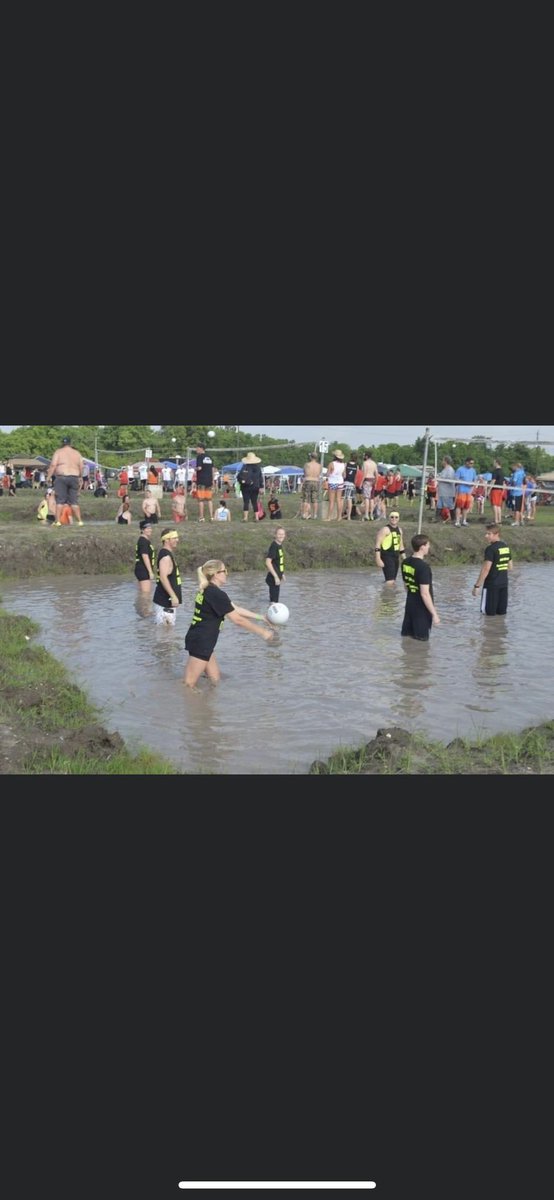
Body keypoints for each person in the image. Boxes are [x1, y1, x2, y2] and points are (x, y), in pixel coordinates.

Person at [184, 560, 274, 688]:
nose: (227, 573)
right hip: (201, 641)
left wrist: (262, 617)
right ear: (215, 574)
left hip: (201, 639)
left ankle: (205, 706)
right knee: (188, 685)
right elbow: (237, 620)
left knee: (215, 679)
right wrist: (263, 632)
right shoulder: (216, 594)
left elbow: (235, 609)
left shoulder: (209, 590)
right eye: (224, 571)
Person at [401, 535, 440, 641]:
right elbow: (425, 594)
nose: (428, 547)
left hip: (410, 604)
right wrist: (434, 614)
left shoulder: (405, 562)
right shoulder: (423, 567)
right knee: (422, 642)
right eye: (427, 545)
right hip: (421, 609)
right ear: (422, 547)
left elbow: (406, 585)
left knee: (407, 639)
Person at [472, 524, 512, 616]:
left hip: (491, 586)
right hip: (504, 585)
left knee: (487, 616)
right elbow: (510, 566)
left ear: (496, 534)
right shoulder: (505, 547)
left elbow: (486, 569)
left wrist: (477, 586)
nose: (486, 536)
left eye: (489, 534)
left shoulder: (490, 549)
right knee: (501, 614)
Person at [47, 435, 84, 527]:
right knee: (74, 501)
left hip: (62, 477)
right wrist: (80, 477)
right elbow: (81, 466)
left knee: (60, 501)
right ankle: (80, 521)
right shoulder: (77, 453)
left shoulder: (58, 452)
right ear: (70, 443)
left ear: (62, 443)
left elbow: (53, 465)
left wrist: (48, 477)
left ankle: (58, 521)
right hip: (74, 477)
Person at [153, 529, 182, 625]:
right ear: (166, 540)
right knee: (165, 634)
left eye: (177, 537)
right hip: (165, 601)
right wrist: (173, 596)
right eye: (174, 538)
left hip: (167, 601)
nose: (177, 540)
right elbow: (163, 577)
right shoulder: (166, 557)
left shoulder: (167, 554)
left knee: (168, 634)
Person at [374, 511, 405, 586]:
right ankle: (387, 596)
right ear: (389, 518)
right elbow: (378, 544)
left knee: (392, 580)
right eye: (392, 517)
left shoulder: (400, 530)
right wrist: (378, 559)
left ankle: (390, 595)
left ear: (398, 519)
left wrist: (405, 559)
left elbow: (401, 545)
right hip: (386, 556)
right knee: (390, 581)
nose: (394, 519)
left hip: (395, 556)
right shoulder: (385, 529)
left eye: (396, 517)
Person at [237, 451, 264, 522]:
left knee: (246, 502)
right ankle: (256, 517)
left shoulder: (244, 467)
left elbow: (239, 476)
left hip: (245, 487)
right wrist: (261, 487)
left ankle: (245, 518)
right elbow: (260, 478)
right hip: (255, 487)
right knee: (254, 502)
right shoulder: (258, 468)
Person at [134, 519, 156, 593]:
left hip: (141, 569)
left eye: (150, 528)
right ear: (142, 530)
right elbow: (145, 556)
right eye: (147, 528)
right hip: (143, 570)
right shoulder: (143, 541)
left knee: (142, 593)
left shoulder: (144, 540)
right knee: (146, 595)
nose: (150, 530)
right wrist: (150, 572)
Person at [265, 527, 286, 603]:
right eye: (279, 534)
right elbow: (268, 562)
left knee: (275, 601)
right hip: (273, 578)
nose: (281, 536)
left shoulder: (279, 545)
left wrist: (282, 573)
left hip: (277, 577)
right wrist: (276, 576)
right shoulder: (274, 546)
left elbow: (279, 561)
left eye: (283, 534)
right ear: (275, 535)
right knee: (273, 602)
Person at [454, 456, 477, 526]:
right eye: (470, 463)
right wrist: (464, 482)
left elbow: (474, 480)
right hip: (461, 491)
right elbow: (456, 479)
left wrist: (472, 485)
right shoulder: (460, 469)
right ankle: (457, 521)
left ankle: (464, 521)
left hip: (468, 492)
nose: (472, 465)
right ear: (466, 462)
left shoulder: (473, 470)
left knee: (466, 507)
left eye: (473, 463)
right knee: (459, 506)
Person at [195, 443, 215, 522]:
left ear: (201, 448)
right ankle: (211, 517)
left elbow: (199, 468)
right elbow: (212, 469)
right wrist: (212, 479)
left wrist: (195, 469)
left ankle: (201, 517)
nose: (196, 450)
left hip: (201, 480)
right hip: (209, 480)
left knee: (201, 500)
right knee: (209, 499)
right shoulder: (209, 457)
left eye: (197, 448)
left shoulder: (199, 457)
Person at [325, 450, 346, 521]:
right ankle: (339, 517)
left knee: (331, 501)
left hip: (332, 482)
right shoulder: (343, 464)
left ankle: (329, 517)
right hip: (340, 482)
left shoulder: (331, 464)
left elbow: (327, 474)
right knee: (339, 500)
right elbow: (344, 475)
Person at [301, 452, 322, 519]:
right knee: (315, 499)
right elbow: (319, 473)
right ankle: (315, 515)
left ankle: (304, 514)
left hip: (308, 480)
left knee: (306, 499)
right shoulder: (319, 466)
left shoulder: (307, 464)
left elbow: (304, 473)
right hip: (316, 481)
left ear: (311, 457)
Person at [436, 454, 456, 521]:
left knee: (450, 506)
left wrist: (441, 479)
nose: (442, 461)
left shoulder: (450, 470)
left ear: (446, 461)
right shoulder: (444, 469)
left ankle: (453, 518)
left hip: (447, 492)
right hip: (442, 491)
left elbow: (450, 480)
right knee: (439, 505)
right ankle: (437, 518)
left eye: (443, 460)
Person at [361, 451, 379, 520]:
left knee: (366, 498)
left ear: (366, 456)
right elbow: (376, 474)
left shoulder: (365, 463)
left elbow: (364, 473)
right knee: (371, 498)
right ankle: (371, 514)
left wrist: (361, 482)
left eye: (364, 455)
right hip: (373, 480)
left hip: (367, 480)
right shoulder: (374, 463)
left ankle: (366, 514)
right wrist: (376, 482)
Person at [488, 458, 505, 525]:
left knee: (494, 505)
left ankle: (496, 520)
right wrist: (503, 490)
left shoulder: (495, 471)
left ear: (497, 463)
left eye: (494, 462)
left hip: (495, 489)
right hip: (500, 489)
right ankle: (499, 520)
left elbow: (493, 481)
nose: (493, 463)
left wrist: (489, 489)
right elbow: (503, 482)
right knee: (498, 505)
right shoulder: (502, 471)